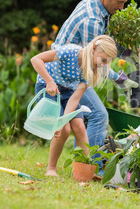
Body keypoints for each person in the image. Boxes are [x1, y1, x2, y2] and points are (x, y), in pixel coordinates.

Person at [53, 0, 137, 175]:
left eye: (125, 3)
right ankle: (96, 169)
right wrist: (120, 78)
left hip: (72, 68)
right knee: (99, 115)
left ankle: (81, 167)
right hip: (66, 73)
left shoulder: (94, 1)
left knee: (82, 120)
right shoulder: (92, 20)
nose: (122, 8)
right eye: (119, 2)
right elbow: (96, 62)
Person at [31, 35, 117, 176]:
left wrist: (63, 118)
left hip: (67, 92)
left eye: (106, 63)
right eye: (102, 60)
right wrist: (49, 81)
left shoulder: (90, 71)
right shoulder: (70, 51)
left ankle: (83, 171)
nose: (102, 65)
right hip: (47, 87)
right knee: (64, 129)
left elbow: (75, 98)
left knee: (79, 127)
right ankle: (51, 169)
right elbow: (36, 59)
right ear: (94, 48)